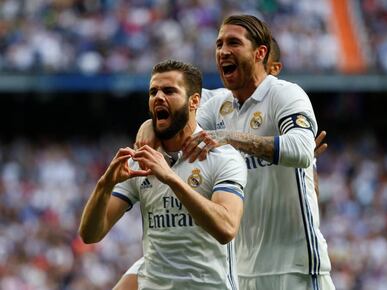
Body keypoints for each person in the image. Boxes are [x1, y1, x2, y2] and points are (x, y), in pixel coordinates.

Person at [182, 15, 335, 289]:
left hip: (295, 269)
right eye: (218, 44)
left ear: (260, 53)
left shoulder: (286, 94)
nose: (222, 51)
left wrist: (230, 137)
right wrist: (149, 126)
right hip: (242, 273)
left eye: (233, 43)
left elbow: (301, 149)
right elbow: (175, 112)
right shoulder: (216, 105)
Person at [79, 59, 247, 289]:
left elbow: (226, 229)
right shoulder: (140, 160)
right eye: (153, 91)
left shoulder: (222, 157)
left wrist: (170, 177)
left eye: (169, 91)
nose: (158, 97)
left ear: (194, 101)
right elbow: (91, 234)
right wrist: (104, 185)